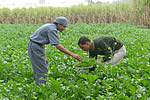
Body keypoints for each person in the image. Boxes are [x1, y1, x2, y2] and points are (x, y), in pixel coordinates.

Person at [28, 16, 82, 85]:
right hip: (35, 46)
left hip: (37, 45)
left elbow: (42, 42)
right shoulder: (52, 29)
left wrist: (45, 57)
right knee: (41, 69)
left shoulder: (50, 26)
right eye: (64, 26)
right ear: (59, 24)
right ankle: (41, 88)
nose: (64, 29)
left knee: (42, 67)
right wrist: (73, 55)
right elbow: (58, 46)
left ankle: (41, 85)